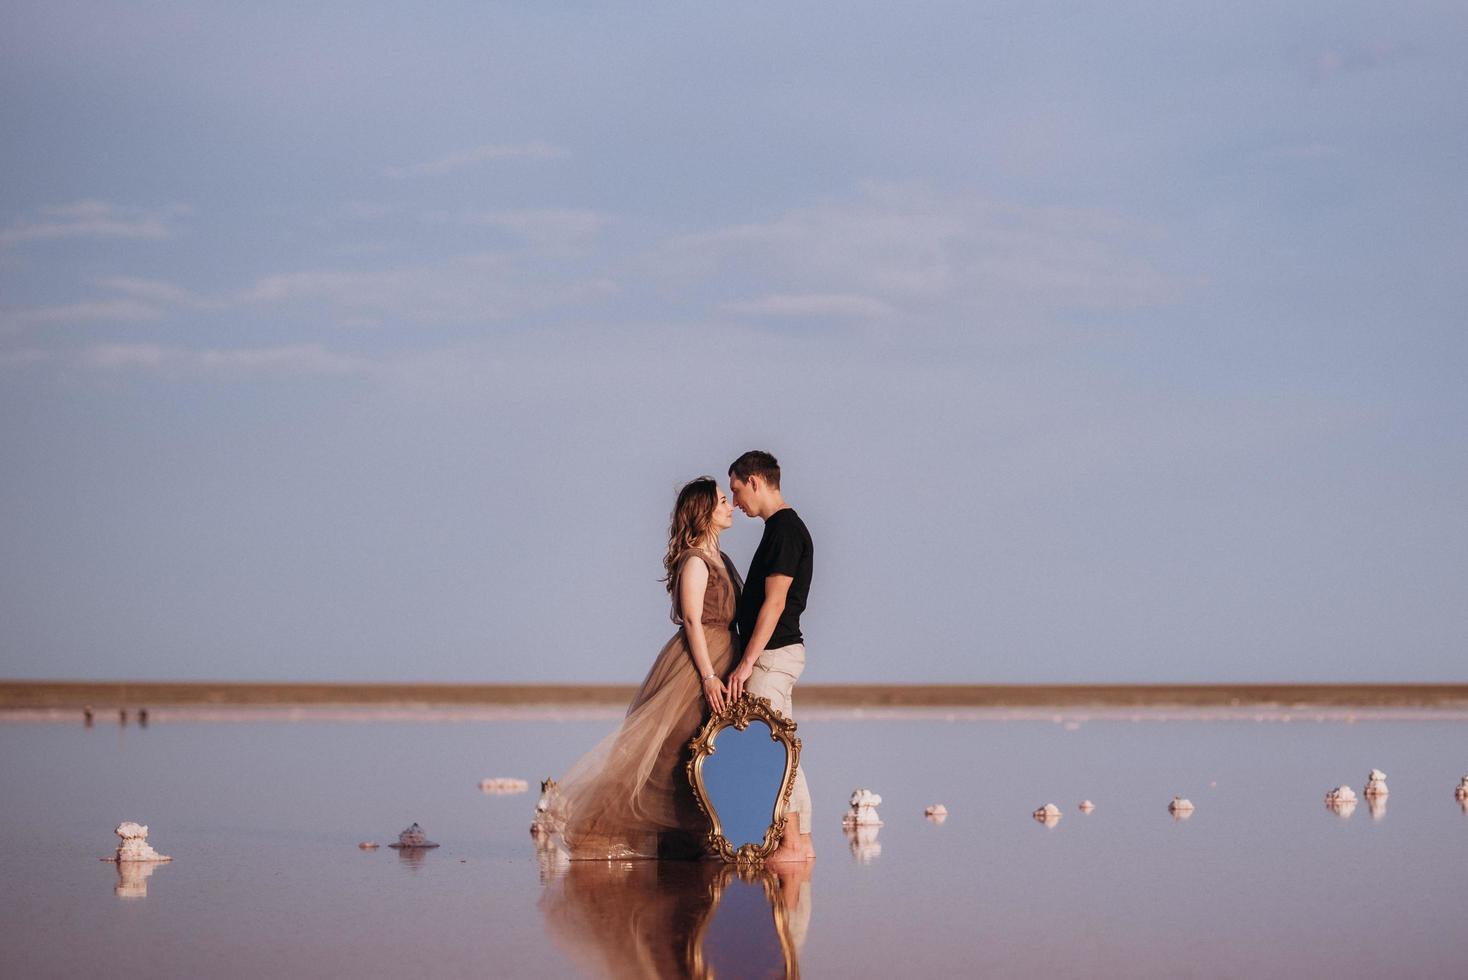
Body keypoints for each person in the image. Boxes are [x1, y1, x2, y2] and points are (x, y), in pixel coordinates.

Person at [553, 477, 743, 860]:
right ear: (704, 511)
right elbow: (691, 620)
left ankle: (701, 833)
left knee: (705, 745)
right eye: (723, 500)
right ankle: (643, 832)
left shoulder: (722, 558)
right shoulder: (696, 560)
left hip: (724, 655)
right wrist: (707, 676)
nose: (730, 506)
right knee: (675, 744)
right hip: (698, 662)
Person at [726, 450, 816, 864]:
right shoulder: (779, 529)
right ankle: (799, 842)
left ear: (756, 482)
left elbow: (774, 603)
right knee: (784, 747)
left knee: (776, 750)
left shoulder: (784, 530)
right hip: (776, 653)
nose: (735, 501)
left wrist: (746, 662)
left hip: (772, 655)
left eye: (737, 490)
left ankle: (793, 844)